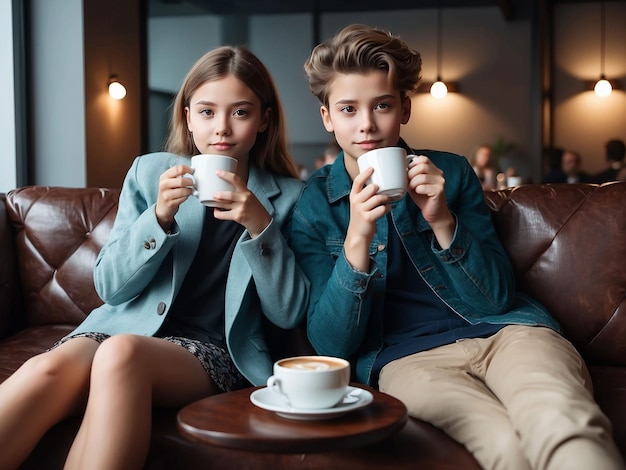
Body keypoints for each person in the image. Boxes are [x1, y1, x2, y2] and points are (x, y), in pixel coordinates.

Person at [289, 24, 623, 470]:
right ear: (328, 117)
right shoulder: (313, 205)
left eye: (382, 105)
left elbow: (495, 299)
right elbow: (331, 344)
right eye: (348, 109)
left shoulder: (451, 173)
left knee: (563, 422)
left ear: (404, 109)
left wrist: (441, 219)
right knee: (502, 444)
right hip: (408, 360)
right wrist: (357, 239)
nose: (366, 124)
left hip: (510, 333)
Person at [0, 46, 309, 469]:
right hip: (120, 331)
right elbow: (110, 287)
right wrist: (158, 217)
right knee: (46, 370)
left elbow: (288, 313)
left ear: (263, 120)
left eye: (240, 112)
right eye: (206, 112)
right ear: (186, 117)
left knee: (122, 355)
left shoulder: (290, 198)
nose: (221, 128)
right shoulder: (150, 173)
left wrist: (260, 225)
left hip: (213, 351)